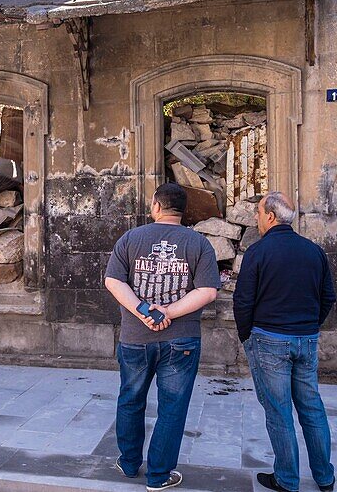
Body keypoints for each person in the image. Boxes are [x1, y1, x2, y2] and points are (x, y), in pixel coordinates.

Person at [104, 182, 220, 492]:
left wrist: (144, 310)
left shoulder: (131, 238)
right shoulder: (198, 243)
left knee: (131, 399)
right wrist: (168, 311)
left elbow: (113, 281)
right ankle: (158, 476)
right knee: (173, 407)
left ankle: (129, 463)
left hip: (135, 338)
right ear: (184, 211)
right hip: (180, 339)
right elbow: (208, 291)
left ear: (156, 206)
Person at [233, 192, 337, 492]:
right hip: (306, 340)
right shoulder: (313, 251)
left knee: (279, 412)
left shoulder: (258, 252)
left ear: (269, 216)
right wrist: (309, 326)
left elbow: (243, 301)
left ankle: (287, 480)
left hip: (269, 340)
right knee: (312, 408)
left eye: (257, 213)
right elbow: (328, 296)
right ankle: (325, 478)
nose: (255, 218)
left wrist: (246, 336)